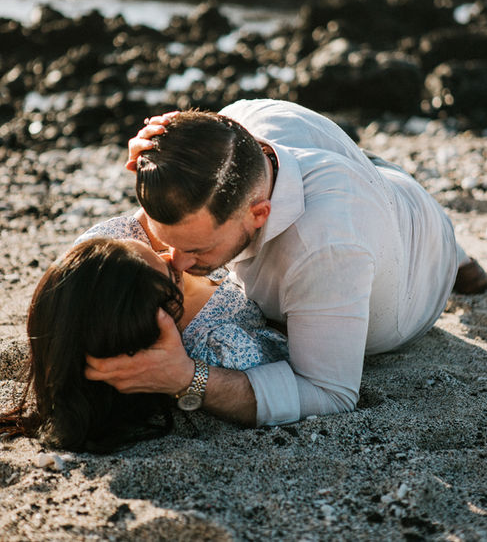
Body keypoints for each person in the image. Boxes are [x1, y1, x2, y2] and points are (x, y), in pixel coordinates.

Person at [85, 99, 487, 429]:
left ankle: (458, 260)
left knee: (421, 243)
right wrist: (174, 152)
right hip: (379, 183)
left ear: (259, 214)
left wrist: (187, 379)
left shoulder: (325, 249)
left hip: (419, 275)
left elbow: (330, 392)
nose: (177, 262)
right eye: (171, 244)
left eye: (198, 250)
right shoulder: (242, 129)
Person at [0, 237, 287, 451]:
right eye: (171, 273)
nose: (177, 257)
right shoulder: (222, 349)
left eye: (154, 248)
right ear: (158, 323)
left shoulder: (105, 263)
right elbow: (299, 364)